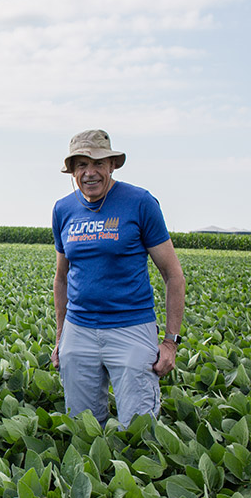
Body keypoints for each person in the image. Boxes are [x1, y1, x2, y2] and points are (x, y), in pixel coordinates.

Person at [51, 130, 185, 427]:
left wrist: (171, 342)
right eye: (81, 165)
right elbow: (61, 279)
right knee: (83, 425)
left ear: (112, 165)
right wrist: (61, 336)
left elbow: (173, 275)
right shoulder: (63, 209)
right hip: (79, 329)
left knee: (139, 428)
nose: (90, 172)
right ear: (72, 171)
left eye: (98, 163)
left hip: (131, 329)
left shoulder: (140, 202)